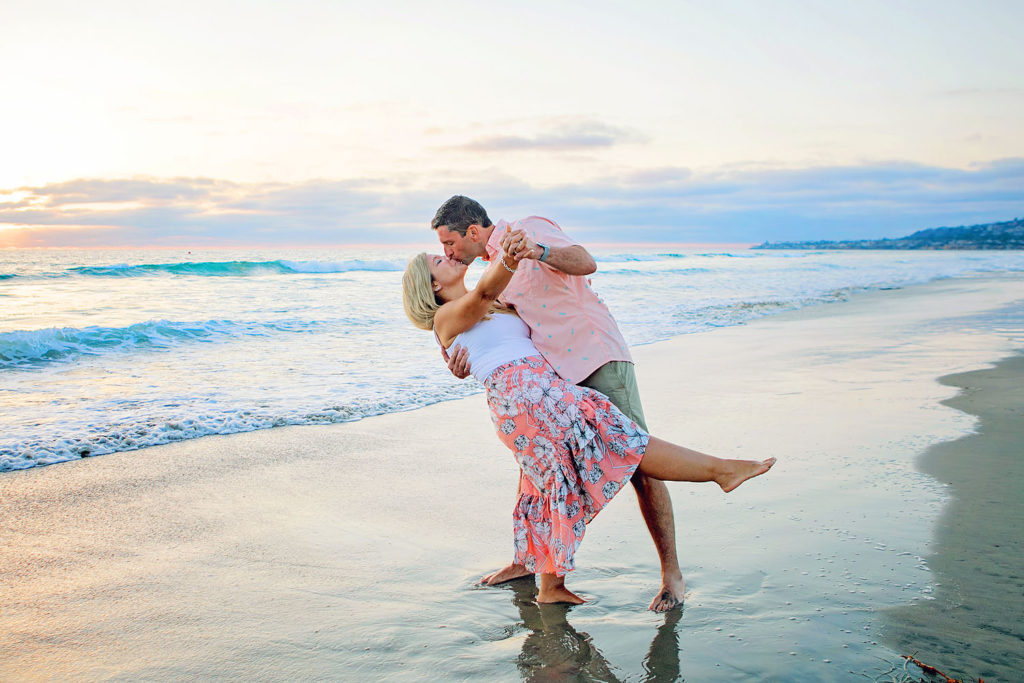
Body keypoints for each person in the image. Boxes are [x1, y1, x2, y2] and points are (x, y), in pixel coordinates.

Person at [401, 244, 775, 606]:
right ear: (433, 285)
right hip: (525, 400)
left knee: (554, 481)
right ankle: (720, 471)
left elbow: (507, 318)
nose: (447, 255)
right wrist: (510, 256)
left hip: (543, 391)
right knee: (619, 442)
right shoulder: (446, 317)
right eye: (438, 258)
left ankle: (549, 582)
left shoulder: (495, 308)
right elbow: (483, 292)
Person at [431, 195, 686, 612]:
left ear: (472, 233)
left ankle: (671, 574)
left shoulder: (527, 229)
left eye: (449, 243)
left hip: (595, 355)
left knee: (640, 458)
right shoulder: (493, 277)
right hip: (555, 376)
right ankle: (526, 560)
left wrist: (538, 250)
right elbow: (494, 333)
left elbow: (586, 262)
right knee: (532, 469)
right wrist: (462, 364)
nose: (448, 253)